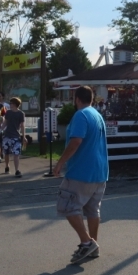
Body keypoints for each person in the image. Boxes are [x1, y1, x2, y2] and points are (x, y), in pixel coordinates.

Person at [52, 86, 109, 264]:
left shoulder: (81, 115)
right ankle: (94, 245)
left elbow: (76, 141)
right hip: (100, 171)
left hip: (81, 172)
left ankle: (86, 242)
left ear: (77, 99)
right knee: (93, 209)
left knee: (68, 206)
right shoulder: (97, 115)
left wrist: (60, 162)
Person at [1, 97, 26, 177]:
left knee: (16, 154)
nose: (10, 104)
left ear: (15, 104)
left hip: (16, 136)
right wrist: (0, 130)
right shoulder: (8, 112)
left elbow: (22, 126)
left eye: (11, 103)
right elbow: (5, 122)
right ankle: (7, 166)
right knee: (6, 153)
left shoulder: (20, 114)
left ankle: (17, 170)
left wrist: (24, 136)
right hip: (7, 135)